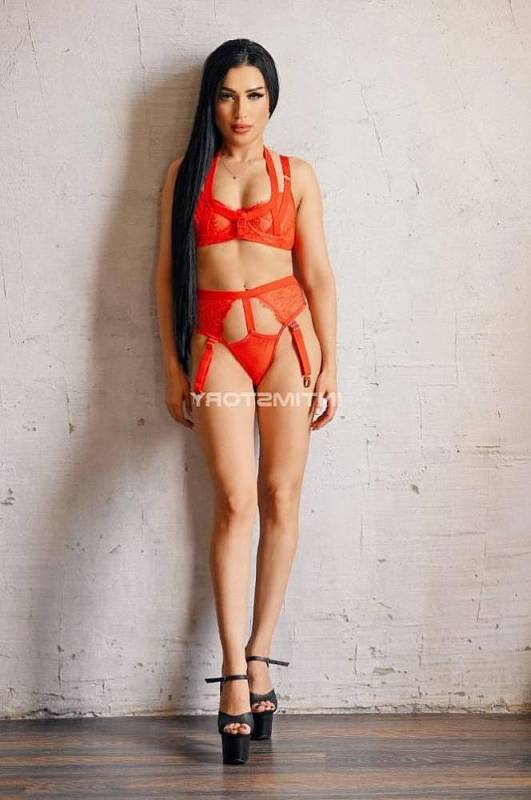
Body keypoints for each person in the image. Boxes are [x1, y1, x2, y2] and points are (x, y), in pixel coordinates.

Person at [155, 38, 338, 764]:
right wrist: (174, 368)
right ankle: (233, 671)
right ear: (211, 100)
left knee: (280, 496)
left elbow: (317, 274)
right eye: (228, 94)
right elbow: (166, 276)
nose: (241, 109)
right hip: (217, 348)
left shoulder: (296, 175)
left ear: (271, 99)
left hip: (288, 343)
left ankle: (261, 655)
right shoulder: (185, 174)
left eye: (254, 95)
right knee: (235, 501)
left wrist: (331, 362)